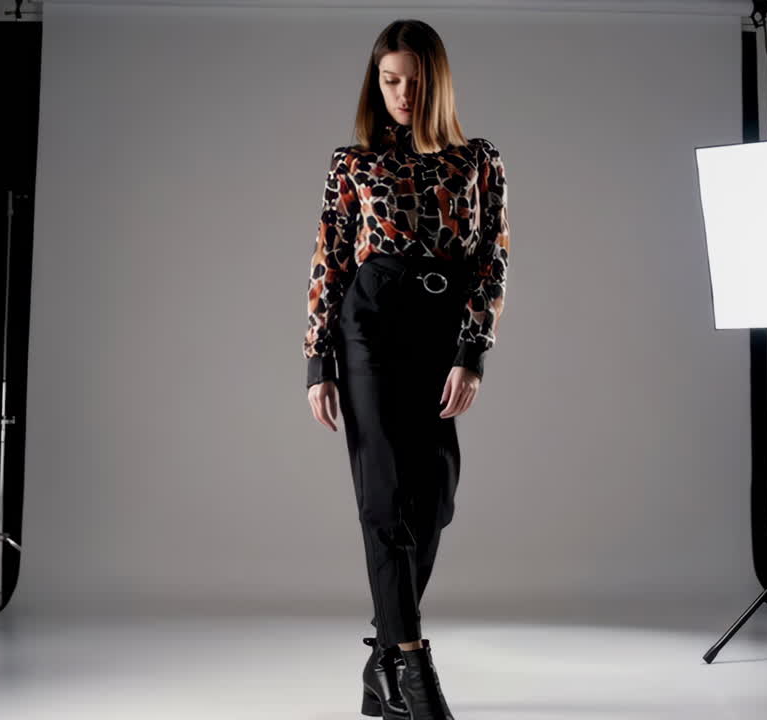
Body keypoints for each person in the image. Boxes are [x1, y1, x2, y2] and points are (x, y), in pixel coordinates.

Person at [301, 18, 509, 720]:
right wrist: (317, 360)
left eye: (415, 83)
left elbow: (491, 261)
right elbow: (328, 261)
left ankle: (379, 662)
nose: (401, 94)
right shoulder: (352, 163)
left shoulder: (479, 160)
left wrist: (471, 352)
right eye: (391, 81)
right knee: (385, 497)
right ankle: (414, 671)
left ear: (437, 85)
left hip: (440, 329)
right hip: (370, 327)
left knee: (435, 498)